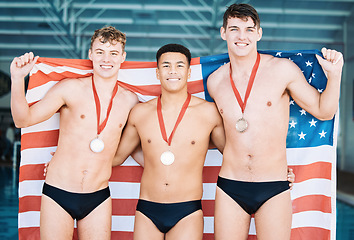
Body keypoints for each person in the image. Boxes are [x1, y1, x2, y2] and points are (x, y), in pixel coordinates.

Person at [207, 3, 343, 240]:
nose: (242, 36)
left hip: (273, 185)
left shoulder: (282, 70)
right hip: (230, 185)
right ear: (223, 32)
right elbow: (222, 134)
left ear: (259, 33)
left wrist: (335, 74)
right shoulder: (215, 81)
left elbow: (324, 111)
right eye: (235, 29)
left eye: (249, 29)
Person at [10, 26, 138, 239]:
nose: (106, 59)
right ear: (90, 54)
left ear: (122, 57)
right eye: (100, 52)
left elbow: (123, 151)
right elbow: (23, 120)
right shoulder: (69, 88)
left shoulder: (130, 100)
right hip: (58, 193)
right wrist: (17, 79)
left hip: (98, 196)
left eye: (113, 53)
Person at [112, 43, 225, 240]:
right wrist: (71, 160)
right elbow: (116, 157)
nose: (173, 71)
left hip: (187, 210)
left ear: (189, 72)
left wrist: (273, 171)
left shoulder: (208, 113)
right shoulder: (140, 113)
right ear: (157, 72)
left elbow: (235, 156)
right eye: (166, 65)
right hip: (147, 209)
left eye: (180, 65)